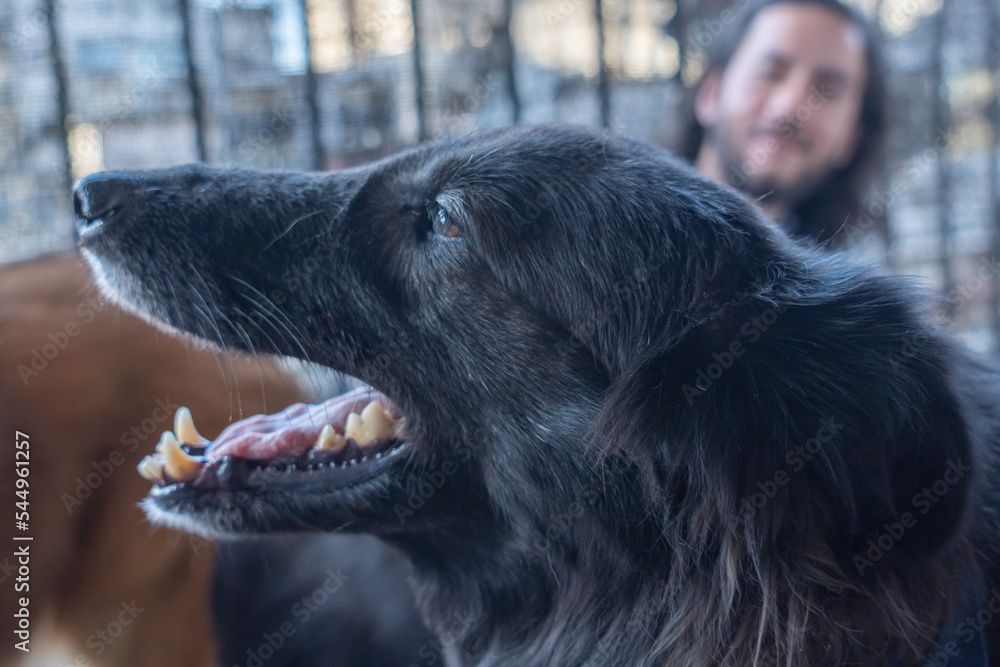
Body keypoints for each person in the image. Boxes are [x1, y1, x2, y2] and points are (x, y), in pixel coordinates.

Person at [678, 0, 888, 246]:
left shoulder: (844, 278)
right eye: (770, 73)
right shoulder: (623, 241)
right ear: (711, 93)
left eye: (826, 91)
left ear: (852, 139)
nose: (791, 108)